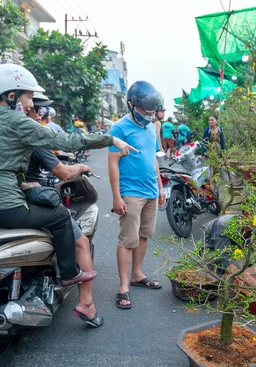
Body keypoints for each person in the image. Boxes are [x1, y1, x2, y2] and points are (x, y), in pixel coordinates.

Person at [0, 63, 136, 288]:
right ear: (11, 96)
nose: (31, 104)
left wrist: (21, 184)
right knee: (59, 217)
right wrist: (109, 139)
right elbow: (65, 141)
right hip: (2, 208)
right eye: (28, 97)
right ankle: (69, 273)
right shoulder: (16, 121)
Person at [24, 101, 102, 327]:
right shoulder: (33, 136)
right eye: (36, 106)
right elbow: (64, 172)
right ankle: (86, 304)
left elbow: (56, 153)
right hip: (32, 198)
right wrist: (81, 168)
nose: (41, 112)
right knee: (82, 244)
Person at [108, 81, 166, 309]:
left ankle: (137, 274)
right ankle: (123, 286)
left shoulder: (151, 127)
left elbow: (153, 158)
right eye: (145, 111)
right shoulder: (119, 128)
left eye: (152, 112)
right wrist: (116, 196)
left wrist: (161, 187)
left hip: (151, 190)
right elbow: (112, 163)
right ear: (132, 104)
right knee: (127, 239)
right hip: (130, 192)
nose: (149, 115)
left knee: (143, 235)